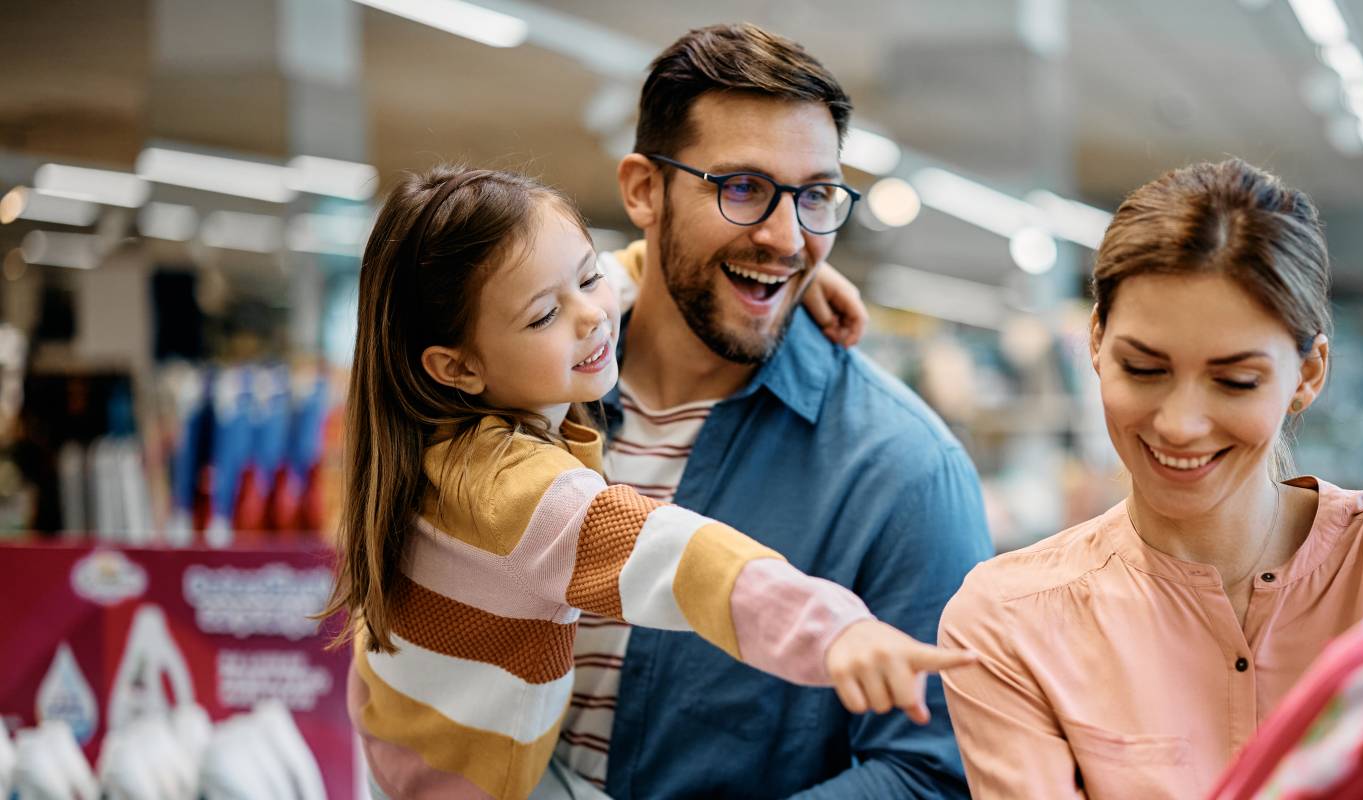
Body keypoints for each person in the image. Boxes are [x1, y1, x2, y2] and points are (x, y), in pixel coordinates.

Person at [319, 166, 975, 800]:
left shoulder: (436, 428)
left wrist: (787, 274)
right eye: (544, 315)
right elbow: (681, 557)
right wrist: (836, 633)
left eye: (587, 276)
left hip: (403, 749)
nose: (592, 317)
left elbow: (625, 276)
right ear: (457, 366)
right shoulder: (510, 493)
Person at [937, 160, 1363, 798]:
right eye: (1143, 369)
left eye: (1234, 381)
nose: (1180, 424)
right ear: (1096, 344)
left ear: (1306, 375)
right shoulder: (1011, 621)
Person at [557, 23, 993, 799]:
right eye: (743, 188)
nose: (787, 238)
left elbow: (930, 778)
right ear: (643, 190)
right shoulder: (532, 397)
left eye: (816, 195)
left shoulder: (904, 472)